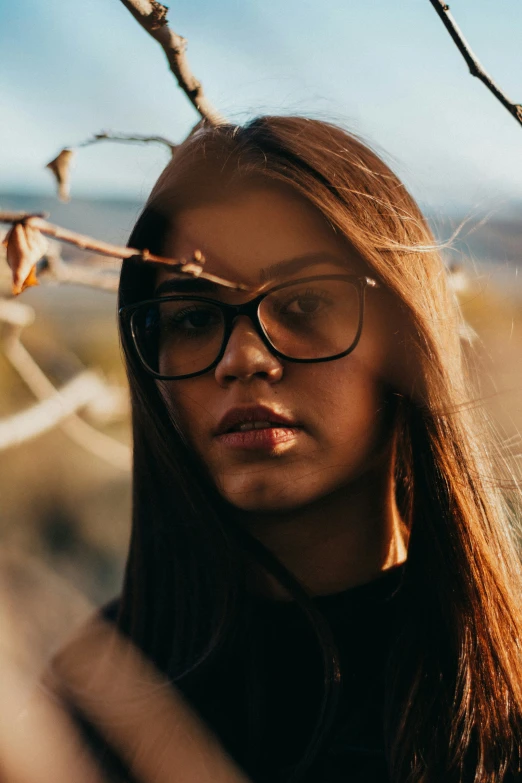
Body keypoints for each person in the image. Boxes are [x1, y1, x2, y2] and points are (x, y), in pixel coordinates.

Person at [73, 116, 522, 781]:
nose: (244, 356)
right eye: (194, 317)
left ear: (406, 335)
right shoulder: (72, 713)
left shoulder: (504, 698)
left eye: (306, 304)